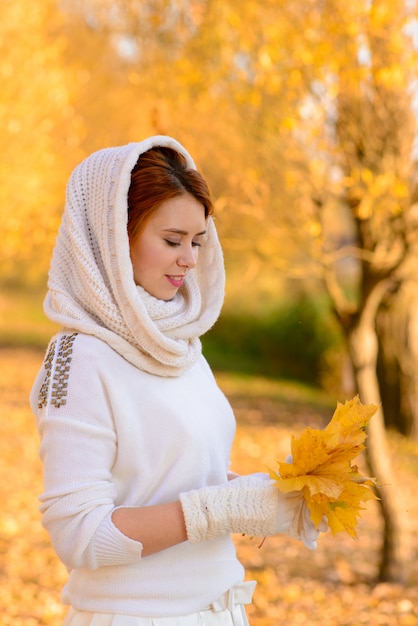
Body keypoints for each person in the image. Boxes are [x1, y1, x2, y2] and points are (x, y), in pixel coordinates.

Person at [30, 136, 327, 626]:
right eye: (172, 241)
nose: (189, 259)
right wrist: (219, 510)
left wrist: (265, 498)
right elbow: (79, 534)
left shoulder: (180, 342)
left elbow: (170, 477)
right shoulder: (79, 358)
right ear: (112, 238)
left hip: (220, 609)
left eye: (198, 241)